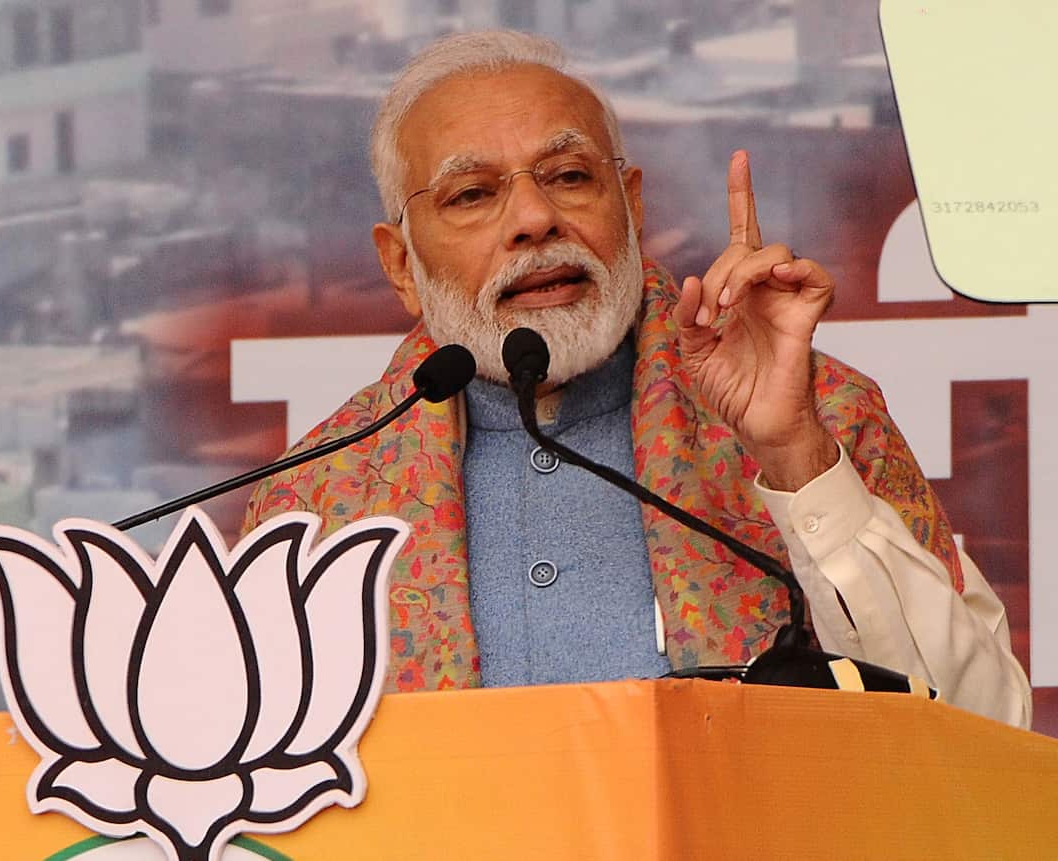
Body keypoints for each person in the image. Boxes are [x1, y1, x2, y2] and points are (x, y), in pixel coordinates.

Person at [243, 31, 1031, 727]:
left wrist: (794, 456)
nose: (534, 219)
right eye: (474, 194)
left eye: (570, 176)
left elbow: (984, 727)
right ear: (399, 265)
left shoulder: (819, 418)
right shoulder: (316, 501)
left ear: (632, 203)